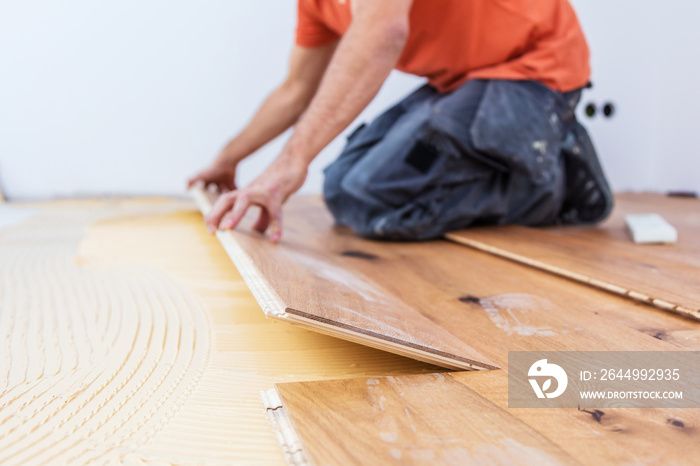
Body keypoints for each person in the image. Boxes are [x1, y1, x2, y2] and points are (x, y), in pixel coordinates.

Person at [189, 0, 612, 242]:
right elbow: (296, 89)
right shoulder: (316, 5)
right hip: (461, 86)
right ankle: (515, 157)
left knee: (369, 193)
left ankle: (557, 183)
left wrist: (289, 164)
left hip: (534, 73)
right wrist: (228, 160)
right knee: (342, 187)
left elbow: (382, 35)